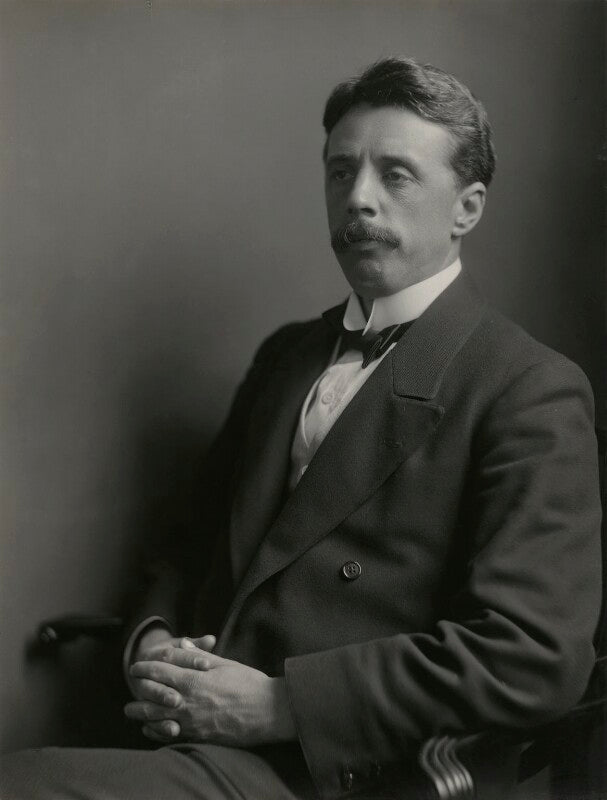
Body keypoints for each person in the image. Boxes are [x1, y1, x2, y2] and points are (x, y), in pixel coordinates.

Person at [1, 57, 602, 800]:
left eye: (395, 175)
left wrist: (280, 705)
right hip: (188, 740)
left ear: (466, 208)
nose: (358, 199)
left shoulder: (525, 388)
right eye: (340, 171)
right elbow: (188, 547)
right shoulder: (288, 357)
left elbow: (532, 656)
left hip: (341, 771)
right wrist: (150, 644)